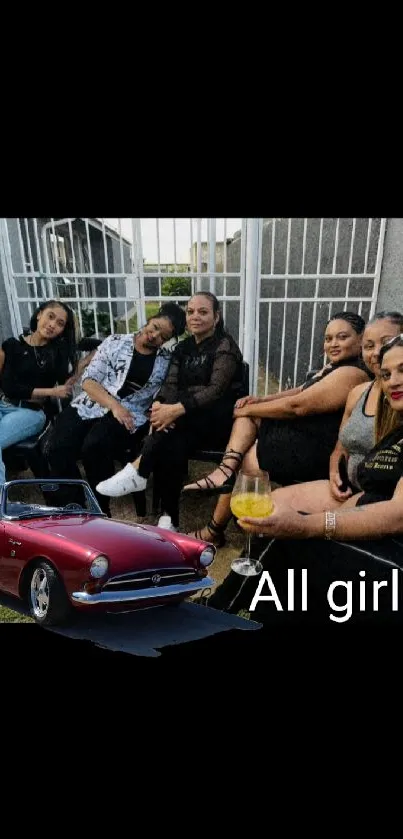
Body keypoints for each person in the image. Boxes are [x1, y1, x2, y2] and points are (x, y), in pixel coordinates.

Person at [207, 333, 403, 624]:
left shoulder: (348, 377)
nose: (393, 381)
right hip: (373, 531)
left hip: (393, 553)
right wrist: (331, 517)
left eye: (402, 370)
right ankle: (239, 612)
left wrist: (310, 524)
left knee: (288, 540)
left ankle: (216, 612)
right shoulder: (395, 430)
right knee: (285, 560)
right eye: (386, 374)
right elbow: (373, 492)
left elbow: (396, 515)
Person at [183, 311, 370, 544]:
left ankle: (220, 512)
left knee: (249, 454)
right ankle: (225, 476)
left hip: (316, 447)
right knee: (248, 426)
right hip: (306, 433)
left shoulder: (352, 373)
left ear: (361, 339)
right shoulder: (335, 367)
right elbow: (299, 390)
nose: (333, 344)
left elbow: (297, 406)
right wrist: (260, 401)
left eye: (342, 337)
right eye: (328, 338)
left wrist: (250, 410)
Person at [96, 292, 244, 530]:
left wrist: (174, 409)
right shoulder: (182, 347)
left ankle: (139, 471)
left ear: (216, 317)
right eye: (190, 311)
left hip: (215, 420)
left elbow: (215, 391)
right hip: (185, 418)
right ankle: (168, 517)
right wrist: (160, 404)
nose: (195, 316)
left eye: (203, 312)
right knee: (170, 438)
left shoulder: (225, 346)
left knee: (170, 428)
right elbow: (170, 384)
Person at [44, 302, 186, 515]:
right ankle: (73, 505)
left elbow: (169, 389)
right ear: (149, 320)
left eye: (163, 336)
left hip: (131, 413)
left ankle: (99, 508)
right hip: (92, 403)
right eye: (155, 327)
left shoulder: (165, 361)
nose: (154, 336)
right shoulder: (115, 342)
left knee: (94, 446)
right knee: (56, 447)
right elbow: (89, 381)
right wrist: (113, 405)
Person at [0, 299, 77, 488]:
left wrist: (83, 364)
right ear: (39, 314)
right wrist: (50, 391)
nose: (52, 325)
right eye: (50, 317)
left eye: (60, 324)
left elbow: (65, 385)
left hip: (30, 413)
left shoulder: (57, 352)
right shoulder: (12, 346)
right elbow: (9, 387)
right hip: (3, 404)